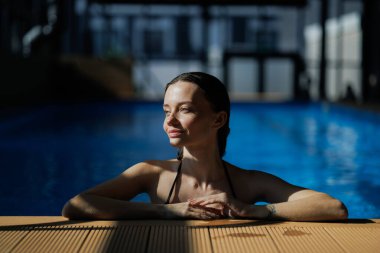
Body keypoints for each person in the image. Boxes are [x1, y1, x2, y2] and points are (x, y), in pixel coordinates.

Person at [62, 72, 348, 221]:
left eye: (184, 109)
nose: (170, 121)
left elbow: (332, 207)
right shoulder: (151, 174)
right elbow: (76, 205)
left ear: (218, 119)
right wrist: (167, 212)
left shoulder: (247, 184)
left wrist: (258, 211)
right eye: (165, 111)